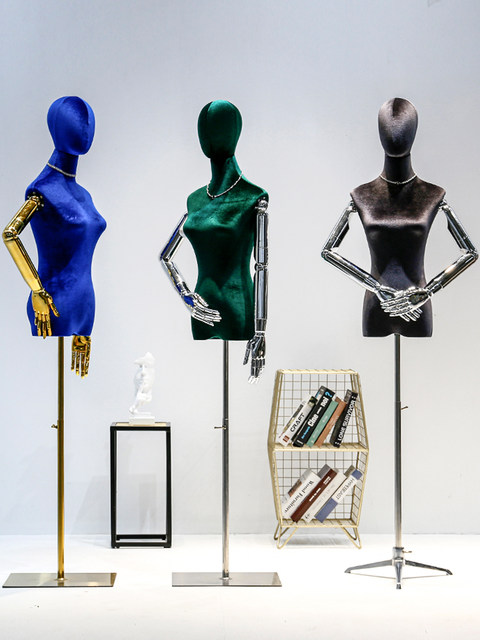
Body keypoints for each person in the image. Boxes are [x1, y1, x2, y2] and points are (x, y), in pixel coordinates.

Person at [322, 97, 477, 337]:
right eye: (388, 130)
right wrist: (375, 287)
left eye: (403, 130)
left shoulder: (433, 195)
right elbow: (328, 251)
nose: (395, 136)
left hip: (418, 306)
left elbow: (470, 252)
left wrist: (428, 291)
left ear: (414, 133)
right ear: (379, 133)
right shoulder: (361, 195)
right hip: (377, 305)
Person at [160, 100, 269, 380]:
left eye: (216, 127)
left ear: (234, 132)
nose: (207, 135)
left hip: (238, 308)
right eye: (203, 128)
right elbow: (165, 256)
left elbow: (261, 266)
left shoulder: (253, 196)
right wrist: (185, 296)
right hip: (200, 308)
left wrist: (260, 331)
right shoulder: (195, 199)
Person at [3, 96, 106, 376]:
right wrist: (38, 291)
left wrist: (86, 325)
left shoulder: (84, 194)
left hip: (86, 305)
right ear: (57, 128)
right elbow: (10, 233)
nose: (85, 130)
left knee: (75, 379)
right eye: (77, 123)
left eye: (89, 124)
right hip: (53, 303)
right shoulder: (42, 189)